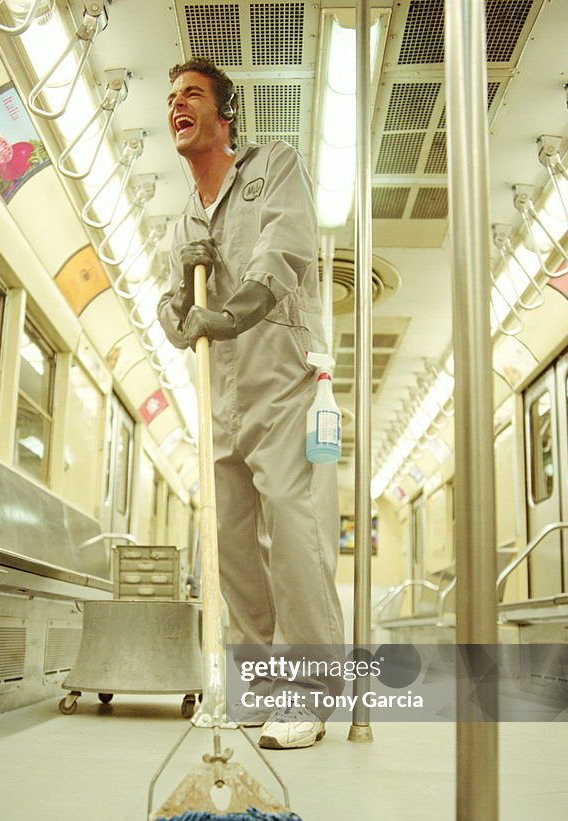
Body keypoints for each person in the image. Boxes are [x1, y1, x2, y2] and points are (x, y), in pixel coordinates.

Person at [158, 59, 345, 750]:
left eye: (193, 95)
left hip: (282, 379)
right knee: (233, 543)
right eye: (172, 97)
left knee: (293, 532)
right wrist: (183, 277)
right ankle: (260, 688)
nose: (178, 105)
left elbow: (285, 251)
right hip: (221, 394)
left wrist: (229, 316)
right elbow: (174, 322)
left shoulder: (274, 166)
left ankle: (313, 694)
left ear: (225, 111)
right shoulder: (180, 220)